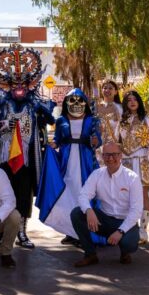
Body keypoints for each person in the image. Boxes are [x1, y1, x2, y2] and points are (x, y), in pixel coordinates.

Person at [0, 45, 55, 249]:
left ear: (30, 85)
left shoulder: (35, 107)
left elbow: (46, 127)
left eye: (23, 83)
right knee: (0, 197)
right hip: (2, 162)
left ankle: (21, 232)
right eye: (14, 83)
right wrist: (2, 127)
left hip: (26, 162)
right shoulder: (0, 106)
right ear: (7, 85)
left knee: (23, 197)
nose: (19, 87)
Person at [39, 88, 100, 246]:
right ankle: (70, 231)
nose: (76, 104)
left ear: (85, 103)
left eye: (80, 100)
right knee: (67, 195)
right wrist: (52, 145)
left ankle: (84, 234)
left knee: (83, 196)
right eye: (72, 100)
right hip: (66, 164)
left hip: (86, 163)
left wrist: (95, 141)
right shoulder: (61, 120)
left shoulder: (91, 120)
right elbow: (58, 139)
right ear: (66, 103)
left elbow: (98, 140)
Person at [71, 141, 144, 267]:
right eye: (107, 155)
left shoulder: (132, 177)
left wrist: (120, 231)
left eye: (115, 154)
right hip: (104, 220)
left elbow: (137, 210)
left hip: (125, 222)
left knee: (129, 244)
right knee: (77, 213)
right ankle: (90, 254)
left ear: (121, 155)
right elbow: (83, 195)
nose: (111, 158)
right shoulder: (97, 174)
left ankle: (125, 252)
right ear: (102, 156)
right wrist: (89, 211)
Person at [117, 89, 149, 244]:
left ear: (139, 102)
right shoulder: (121, 121)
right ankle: (131, 229)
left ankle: (143, 231)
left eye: (135, 99)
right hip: (126, 162)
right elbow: (117, 141)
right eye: (129, 99)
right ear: (125, 103)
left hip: (142, 161)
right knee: (126, 196)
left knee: (144, 195)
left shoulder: (147, 120)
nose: (132, 102)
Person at [94, 79, 123, 146]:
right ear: (101, 91)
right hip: (98, 145)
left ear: (115, 92)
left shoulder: (120, 108)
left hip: (114, 145)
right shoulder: (95, 107)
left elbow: (124, 128)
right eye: (105, 88)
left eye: (110, 88)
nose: (107, 90)